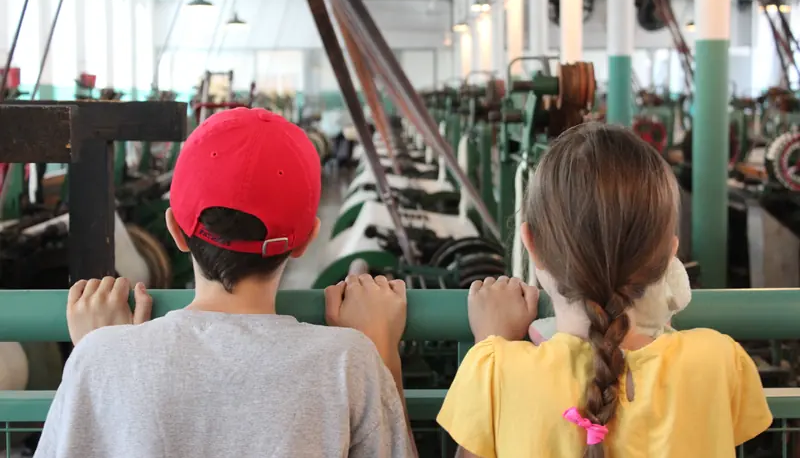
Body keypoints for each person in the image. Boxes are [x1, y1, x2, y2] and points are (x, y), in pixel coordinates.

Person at [34, 108, 416, 458]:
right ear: (305, 241)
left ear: (175, 230)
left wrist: (104, 354)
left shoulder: (100, 358)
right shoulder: (350, 361)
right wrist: (383, 353)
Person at [437, 123, 772, 458]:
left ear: (531, 245)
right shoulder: (721, 361)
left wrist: (489, 342)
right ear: (669, 255)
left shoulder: (496, 372)